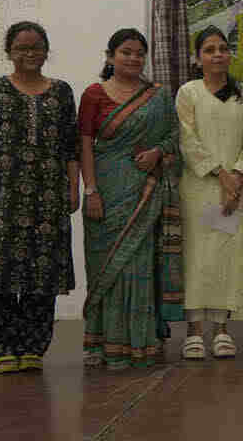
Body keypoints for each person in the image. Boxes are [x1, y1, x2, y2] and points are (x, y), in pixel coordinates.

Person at [0, 21, 78, 373]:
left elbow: (71, 146)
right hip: (2, 198)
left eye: (36, 47)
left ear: (46, 50)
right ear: (9, 52)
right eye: (22, 48)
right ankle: (2, 349)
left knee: (43, 272)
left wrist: (74, 188)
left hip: (49, 198)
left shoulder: (61, 92)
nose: (30, 53)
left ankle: (32, 348)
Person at [79, 28, 181, 370]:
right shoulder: (94, 94)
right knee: (106, 266)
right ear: (110, 56)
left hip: (145, 190)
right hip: (106, 191)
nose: (134, 58)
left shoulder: (158, 96)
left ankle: (140, 341)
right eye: (126, 52)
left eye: (139, 53)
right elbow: (84, 146)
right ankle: (100, 341)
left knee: (139, 265)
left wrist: (157, 152)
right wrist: (90, 190)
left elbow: (174, 135)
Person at [176, 26, 243, 360]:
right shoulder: (188, 92)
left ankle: (220, 330)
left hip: (235, 193)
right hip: (199, 188)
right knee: (197, 258)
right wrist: (221, 174)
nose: (217, 54)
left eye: (222, 48)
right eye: (209, 50)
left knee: (226, 258)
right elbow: (187, 139)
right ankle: (193, 331)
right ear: (197, 58)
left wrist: (237, 178)